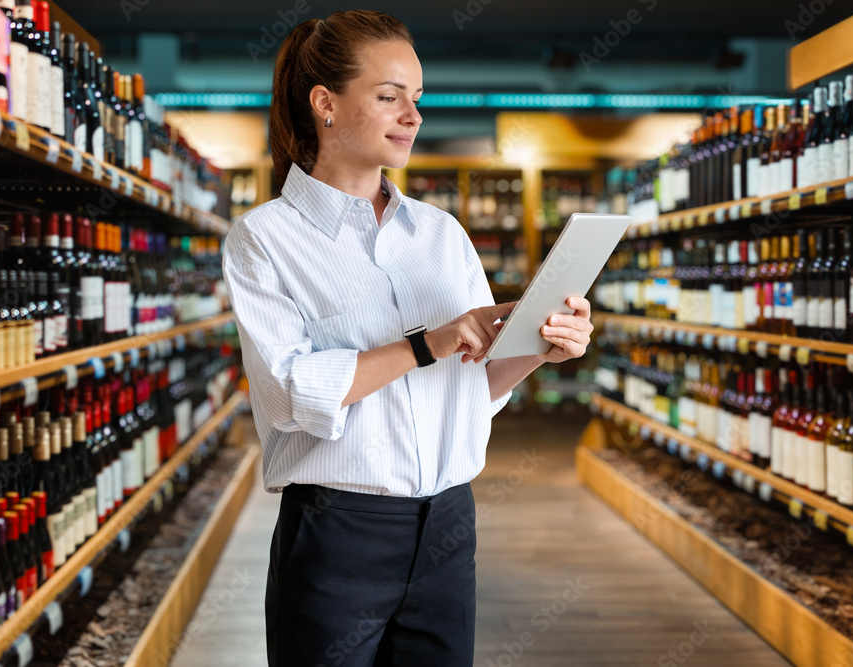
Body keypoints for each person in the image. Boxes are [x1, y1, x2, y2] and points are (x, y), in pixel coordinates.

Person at [221, 9, 594, 667]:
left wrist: (539, 344)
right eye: (389, 96)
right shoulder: (265, 238)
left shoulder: (441, 233)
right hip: (338, 535)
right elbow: (287, 392)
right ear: (325, 104)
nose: (413, 116)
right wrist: (426, 341)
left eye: (416, 98)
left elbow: (472, 387)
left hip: (449, 528)